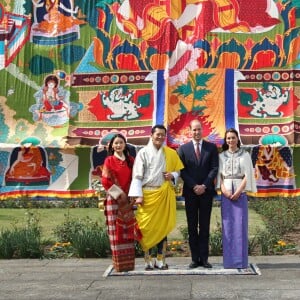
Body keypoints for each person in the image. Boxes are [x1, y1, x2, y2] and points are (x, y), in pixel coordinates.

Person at [128, 125, 184, 270]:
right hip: (147, 195)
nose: (160, 137)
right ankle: (148, 259)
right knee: (145, 227)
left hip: (163, 194)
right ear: (151, 135)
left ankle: (161, 259)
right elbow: (137, 176)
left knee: (162, 227)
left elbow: (178, 171)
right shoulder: (143, 153)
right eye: (157, 134)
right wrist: (138, 196)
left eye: (162, 135)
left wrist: (173, 176)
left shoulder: (170, 153)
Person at [178, 119, 219, 269]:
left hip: (206, 192)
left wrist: (204, 185)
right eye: (194, 130)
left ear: (203, 130)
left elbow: (214, 168)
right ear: (190, 131)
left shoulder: (211, 148)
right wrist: (194, 186)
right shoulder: (183, 149)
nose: (196, 132)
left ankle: (205, 258)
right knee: (192, 226)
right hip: (190, 192)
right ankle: (195, 259)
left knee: (205, 226)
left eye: (199, 129)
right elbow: (182, 170)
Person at [217, 128, 257, 269]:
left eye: (233, 138)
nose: (231, 140)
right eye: (228, 138)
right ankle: (229, 262)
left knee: (240, 225)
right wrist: (225, 192)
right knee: (228, 226)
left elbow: (248, 175)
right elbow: (220, 177)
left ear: (237, 139)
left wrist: (239, 191)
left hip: (240, 191)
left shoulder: (245, 155)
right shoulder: (221, 156)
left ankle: (240, 262)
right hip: (226, 192)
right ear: (225, 140)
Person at [101, 133, 138, 272]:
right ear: (111, 146)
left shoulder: (130, 160)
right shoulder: (109, 160)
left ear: (125, 145)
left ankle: (129, 263)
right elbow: (105, 180)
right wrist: (119, 194)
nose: (118, 145)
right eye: (115, 143)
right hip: (114, 199)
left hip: (127, 200)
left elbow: (135, 177)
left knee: (127, 230)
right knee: (115, 230)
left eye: (121, 143)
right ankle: (119, 264)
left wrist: (130, 194)